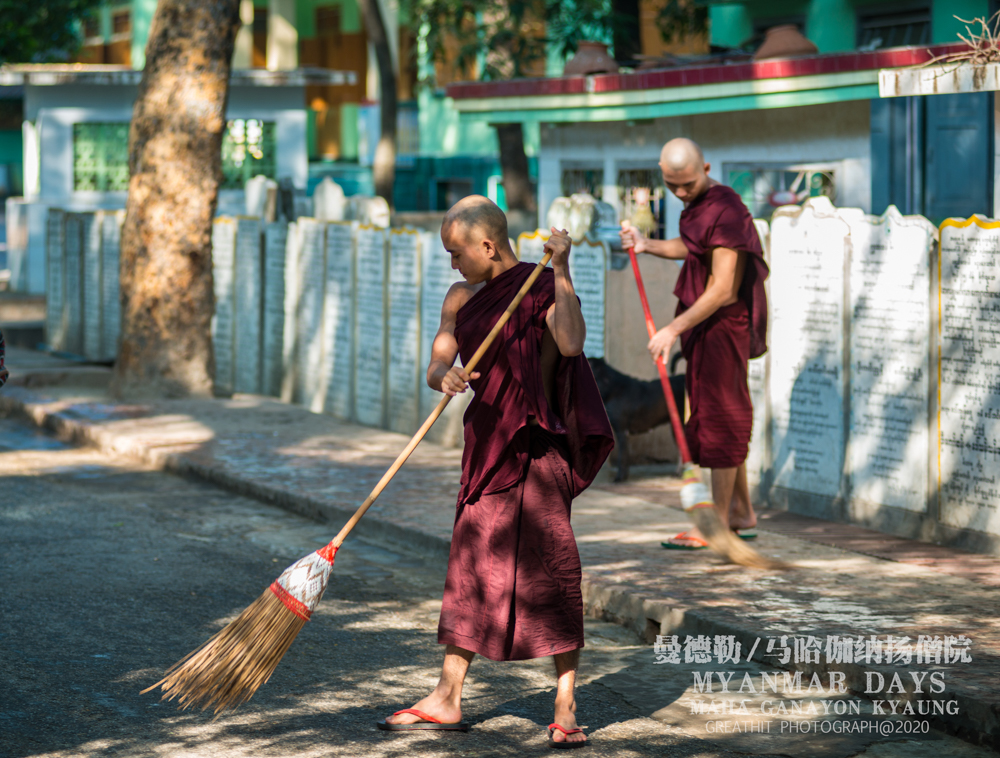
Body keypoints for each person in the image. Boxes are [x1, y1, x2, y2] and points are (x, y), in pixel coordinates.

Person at [378, 196, 613, 748]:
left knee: (553, 569)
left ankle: (566, 702)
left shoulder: (541, 287)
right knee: (470, 567)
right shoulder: (461, 297)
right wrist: (446, 377)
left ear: (487, 245)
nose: (452, 265)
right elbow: (437, 361)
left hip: (536, 450)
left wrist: (561, 270)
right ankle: (447, 696)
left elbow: (572, 343)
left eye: (457, 253)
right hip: (487, 447)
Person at [620, 138, 769, 549]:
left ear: (705, 167)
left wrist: (671, 330)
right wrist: (647, 245)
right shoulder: (700, 206)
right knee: (710, 412)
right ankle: (742, 512)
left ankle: (718, 524)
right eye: (672, 187)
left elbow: (723, 289)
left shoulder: (726, 208)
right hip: (703, 327)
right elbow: (692, 246)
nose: (682, 194)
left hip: (723, 326)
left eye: (687, 185)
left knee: (723, 416)